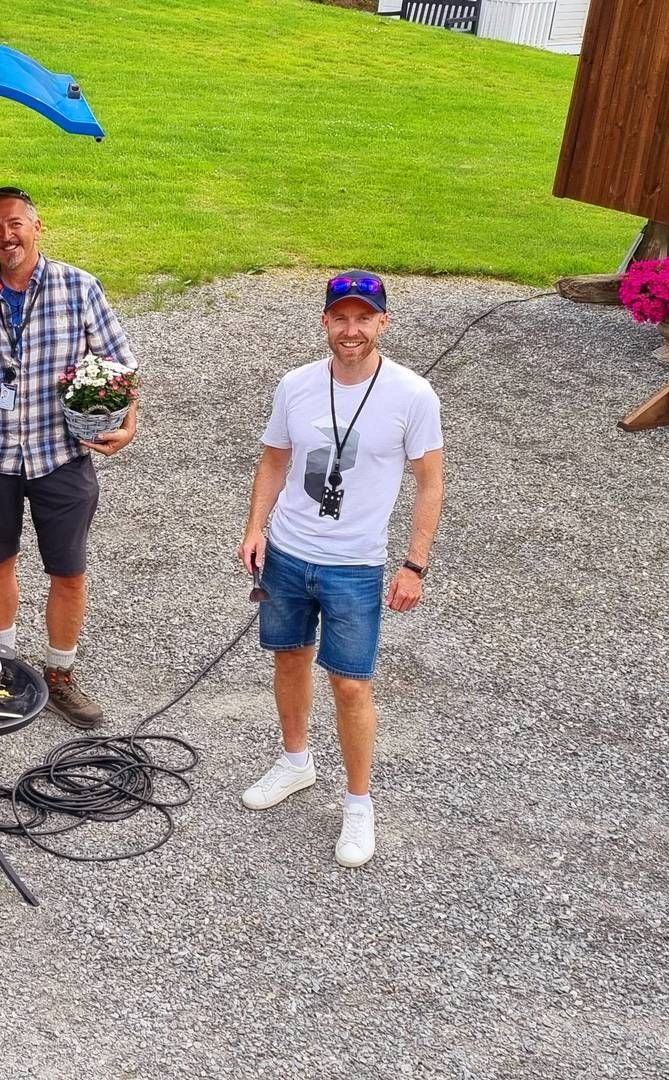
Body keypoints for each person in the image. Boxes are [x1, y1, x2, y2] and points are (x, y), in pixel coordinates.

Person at [236, 270, 444, 868]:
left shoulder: (412, 395)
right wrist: (256, 527)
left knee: (351, 682)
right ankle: (295, 761)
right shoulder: (296, 386)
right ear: (325, 322)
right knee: (290, 656)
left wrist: (415, 565)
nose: (351, 329)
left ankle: (358, 804)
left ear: (383, 322)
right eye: (340, 317)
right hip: (289, 551)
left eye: (364, 317)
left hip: (355, 562)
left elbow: (431, 483)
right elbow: (275, 460)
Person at [0, 186, 140, 729]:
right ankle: (3, 666)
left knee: (68, 570)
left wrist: (128, 425)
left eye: (14, 224)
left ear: (36, 226)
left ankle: (60, 676)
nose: (6, 237)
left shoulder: (79, 287)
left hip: (61, 455)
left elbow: (120, 365)